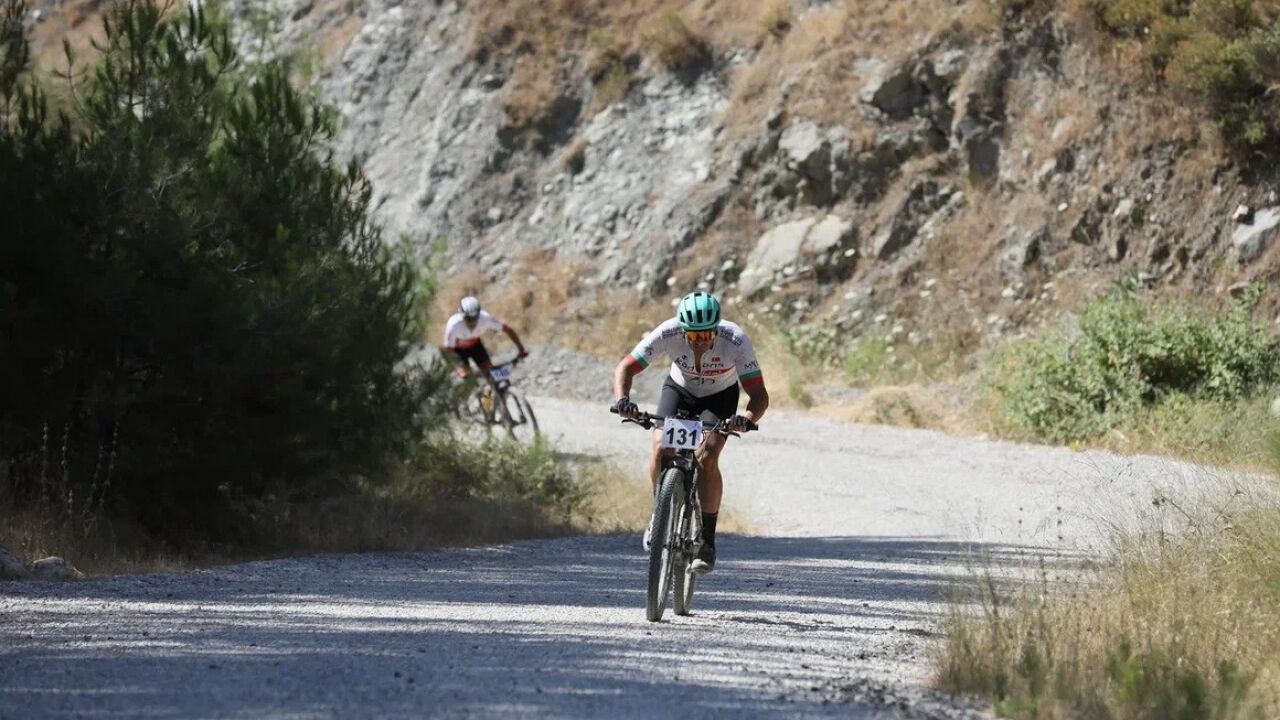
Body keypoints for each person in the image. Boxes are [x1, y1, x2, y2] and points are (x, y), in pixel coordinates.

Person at [610, 291, 769, 574]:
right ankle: (659, 514)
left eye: (706, 335)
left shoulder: (735, 340)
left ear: (716, 329)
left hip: (719, 397)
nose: (700, 341)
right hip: (679, 390)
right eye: (693, 336)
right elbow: (627, 367)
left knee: (707, 454)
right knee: (661, 446)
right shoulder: (668, 331)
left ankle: (707, 540)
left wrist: (745, 418)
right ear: (682, 330)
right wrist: (623, 400)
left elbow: (758, 395)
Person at [443, 296, 529, 378]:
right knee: (465, 373)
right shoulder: (453, 325)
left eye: (475, 318)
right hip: (459, 350)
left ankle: (497, 385)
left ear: (479, 315)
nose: (472, 322)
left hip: (475, 345)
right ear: (461, 315)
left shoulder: (485, 318)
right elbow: (448, 349)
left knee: (490, 371)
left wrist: (521, 349)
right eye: (468, 319)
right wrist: (457, 367)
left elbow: (507, 329)